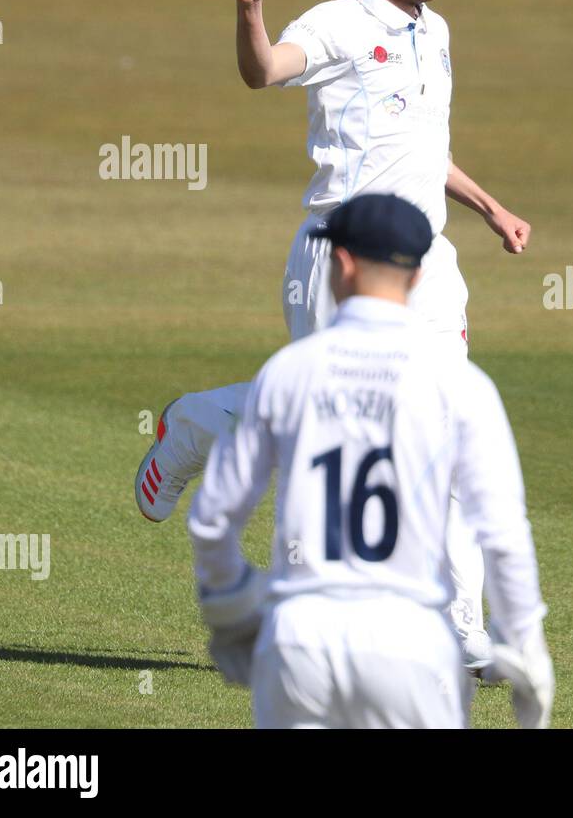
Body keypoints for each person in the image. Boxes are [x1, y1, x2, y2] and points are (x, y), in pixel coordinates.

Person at [136, 0, 532, 671]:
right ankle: (190, 427)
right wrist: (251, 9)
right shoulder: (336, 24)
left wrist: (489, 207)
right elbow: (264, 72)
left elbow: (421, 142)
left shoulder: (436, 31)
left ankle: (459, 626)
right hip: (339, 258)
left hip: (429, 263)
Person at [188, 193, 552, 728]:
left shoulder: (289, 372)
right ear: (418, 275)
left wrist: (231, 613)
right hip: (412, 650)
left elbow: (214, 519)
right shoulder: (463, 387)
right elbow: (502, 534)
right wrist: (526, 655)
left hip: (300, 644)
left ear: (342, 263)